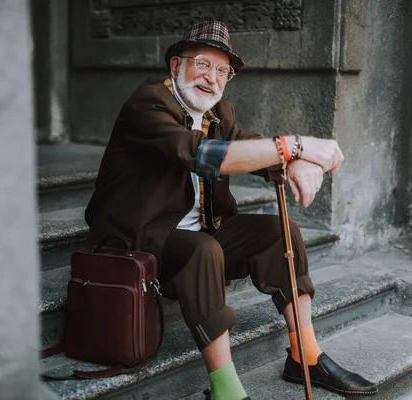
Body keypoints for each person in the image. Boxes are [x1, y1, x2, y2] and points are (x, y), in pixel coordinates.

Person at [84, 21, 379, 399]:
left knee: (280, 231)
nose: (213, 78)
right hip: (139, 240)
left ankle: (305, 355)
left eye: (223, 71)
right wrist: (296, 145)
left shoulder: (219, 111)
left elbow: (250, 149)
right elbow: (202, 155)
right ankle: (226, 390)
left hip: (200, 234)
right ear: (176, 66)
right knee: (202, 250)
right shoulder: (149, 102)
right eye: (203, 64)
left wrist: (294, 161)